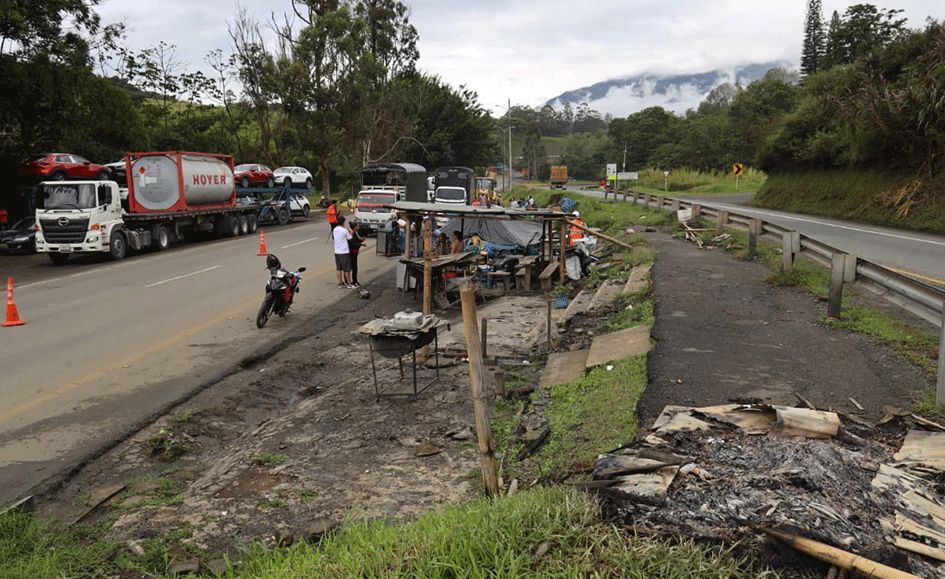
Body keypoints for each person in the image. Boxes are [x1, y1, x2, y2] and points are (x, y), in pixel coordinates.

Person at [333, 215, 353, 288]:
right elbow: (350, 238)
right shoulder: (344, 230)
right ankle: (349, 283)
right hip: (344, 251)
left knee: (339, 269)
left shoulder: (335, 229)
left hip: (337, 251)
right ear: (343, 222)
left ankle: (340, 283)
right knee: (346, 269)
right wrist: (351, 232)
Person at [347, 219, 364, 288]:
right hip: (352, 252)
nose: (358, 227)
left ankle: (354, 280)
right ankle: (353, 281)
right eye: (357, 226)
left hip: (355, 252)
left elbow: (358, 239)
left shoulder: (356, 232)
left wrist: (361, 241)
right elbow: (353, 243)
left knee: (354, 267)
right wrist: (360, 244)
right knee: (353, 267)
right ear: (354, 227)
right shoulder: (351, 234)